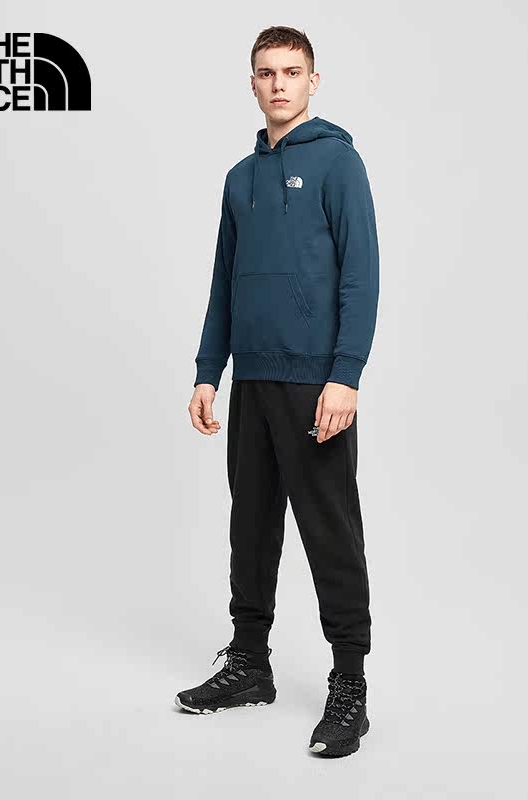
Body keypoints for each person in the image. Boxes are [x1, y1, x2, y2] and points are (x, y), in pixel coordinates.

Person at [178, 25, 379, 758]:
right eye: (267, 73)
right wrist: (209, 369)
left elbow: (361, 274)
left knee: (329, 529)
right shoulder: (240, 179)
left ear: (313, 81)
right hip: (253, 380)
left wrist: (345, 374)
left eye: (292, 72)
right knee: (252, 523)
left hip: (315, 383)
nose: (279, 84)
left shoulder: (339, 164)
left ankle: (349, 684)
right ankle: (249, 664)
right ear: (253, 83)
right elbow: (223, 281)